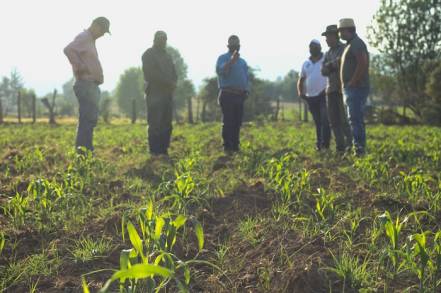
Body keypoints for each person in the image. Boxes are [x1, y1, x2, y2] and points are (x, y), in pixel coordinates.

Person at [64, 17, 110, 153]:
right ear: (95, 26)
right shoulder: (84, 37)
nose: (103, 35)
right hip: (86, 84)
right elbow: (68, 49)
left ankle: (85, 152)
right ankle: (83, 153)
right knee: (87, 120)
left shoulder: (90, 40)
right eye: (103, 31)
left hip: (90, 84)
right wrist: (79, 67)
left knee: (88, 120)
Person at [142, 31, 177, 157]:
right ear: (155, 39)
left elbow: (174, 72)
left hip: (167, 94)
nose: (163, 41)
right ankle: (154, 151)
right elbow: (150, 74)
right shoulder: (148, 54)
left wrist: (174, 83)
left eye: (165, 39)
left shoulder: (168, 56)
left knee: (167, 123)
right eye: (160, 39)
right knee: (155, 123)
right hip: (154, 94)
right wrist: (168, 82)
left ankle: (164, 150)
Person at [339, 18, 370, 156]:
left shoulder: (357, 44)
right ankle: (357, 148)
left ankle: (359, 149)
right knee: (354, 119)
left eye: (341, 31)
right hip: (351, 88)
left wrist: (353, 81)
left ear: (348, 30)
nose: (340, 34)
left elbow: (362, 63)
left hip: (356, 88)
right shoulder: (350, 44)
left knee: (355, 119)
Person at [321, 25, 353, 153]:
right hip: (330, 90)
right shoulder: (328, 53)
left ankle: (350, 146)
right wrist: (331, 65)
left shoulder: (344, 49)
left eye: (328, 37)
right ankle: (340, 147)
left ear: (335, 36)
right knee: (333, 121)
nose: (326, 40)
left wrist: (331, 65)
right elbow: (323, 71)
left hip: (341, 89)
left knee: (344, 120)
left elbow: (340, 64)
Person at [216, 35, 249, 154]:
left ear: (239, 46)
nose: (235, 46)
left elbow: (246, 77)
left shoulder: (243, 62)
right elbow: (220, 72)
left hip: (239, 95)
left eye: (237, 44)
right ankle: (227, 146)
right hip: (227, 94)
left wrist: (246, 90)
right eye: (233, 44)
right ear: (228, 46)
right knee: (228, 121)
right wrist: (231, 61)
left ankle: (235, 146)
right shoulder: (223, 58)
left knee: (237, 122)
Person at [297, 39, 331, 151]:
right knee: (317, 121)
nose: (312, 49)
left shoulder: (325, 59)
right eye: (311, 47)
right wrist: (301, 92)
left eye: (315, 47)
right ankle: (319, 144)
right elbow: (301, 79)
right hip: (310, 97)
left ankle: (325, 144)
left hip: (324, 94)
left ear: (320, 48)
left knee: (325, 119)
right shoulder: (306, 63)